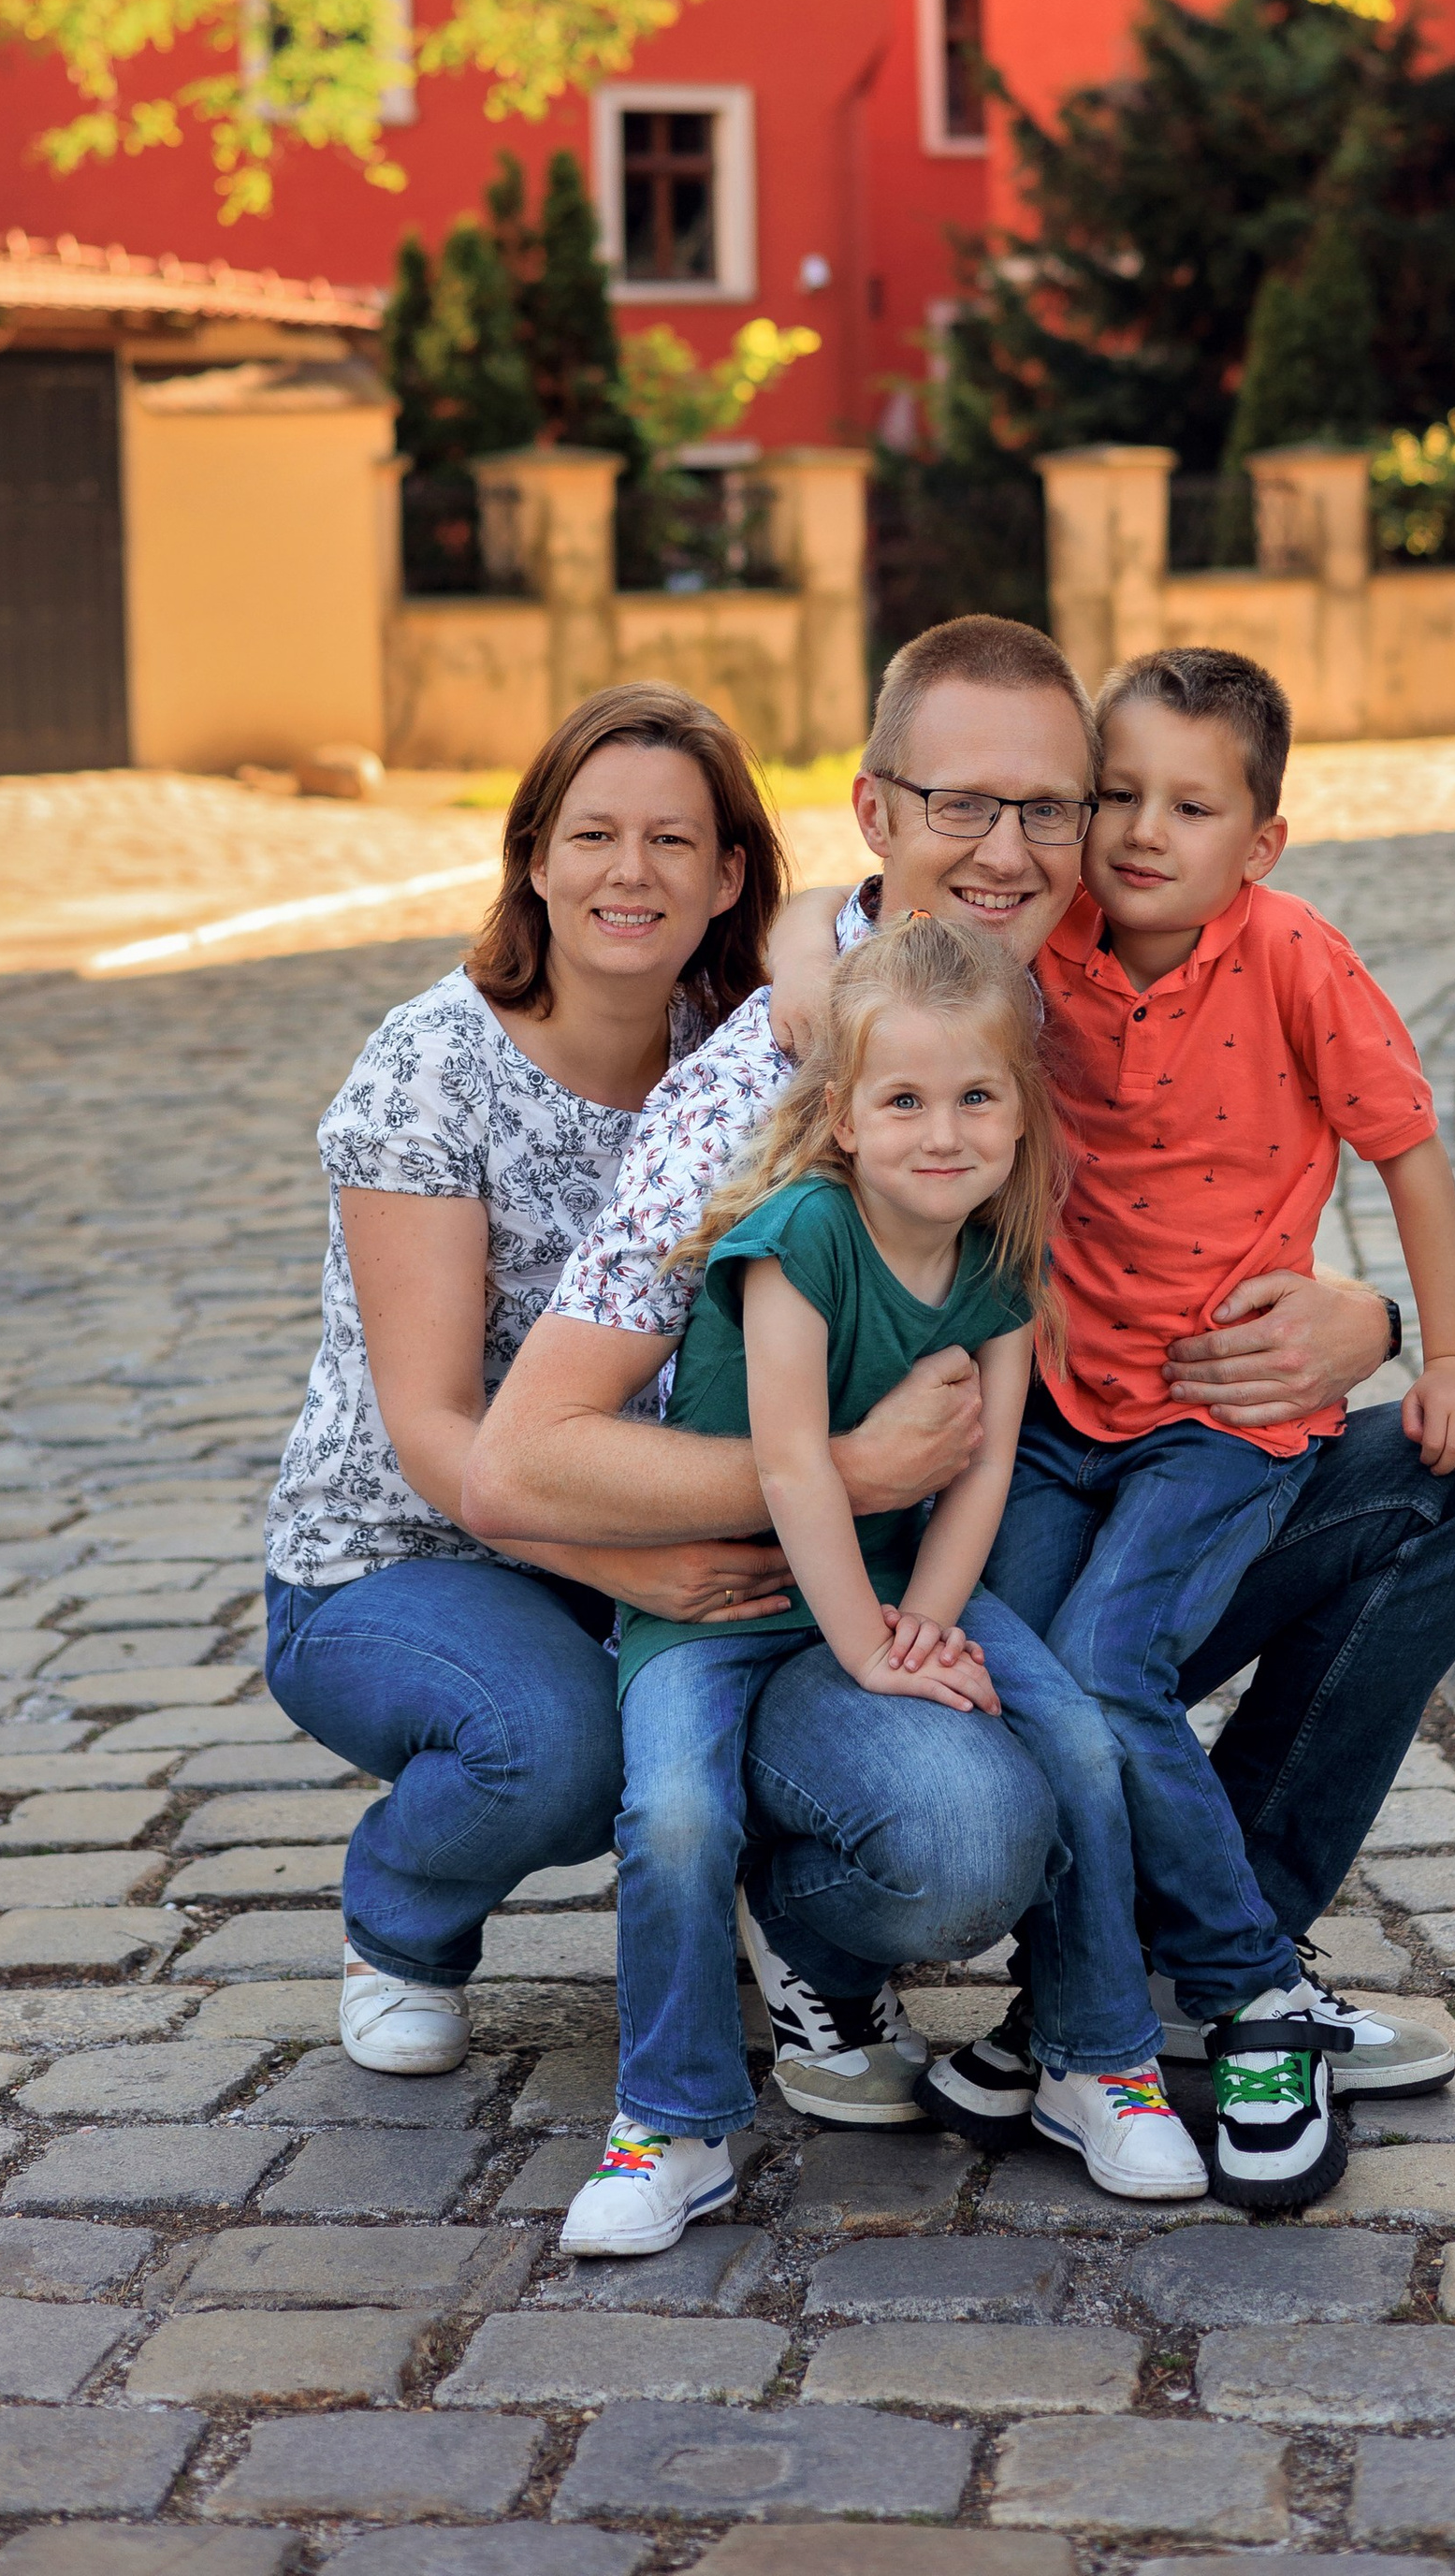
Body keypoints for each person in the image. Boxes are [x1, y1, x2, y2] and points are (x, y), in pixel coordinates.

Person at [465, 614, 1455, 2131]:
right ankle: (816, 1927)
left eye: (1050, 807)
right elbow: (520, 1459)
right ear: (876, 809)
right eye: (963, 804)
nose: (1012, 848)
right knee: (970, 1830)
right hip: (811, 1601)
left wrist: (1366, 1320)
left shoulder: (1064, 969)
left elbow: (1256, 1113)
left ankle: (1205, 1962)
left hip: (1053, 1499)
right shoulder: (765, 1088)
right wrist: (846, 1469)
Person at [770, 643, 1455, 2204]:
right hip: (1047, 1422)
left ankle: (1239, 1989)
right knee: (1040, 1686)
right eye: (1116, 796)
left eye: (1191, 805)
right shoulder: (1050, 943)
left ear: (1264, 840)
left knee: (1114, 1667)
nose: (1140, 832)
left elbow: (1407, 1143)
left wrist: (1438, 1349)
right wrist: (792, 950)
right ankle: (1088, 2005)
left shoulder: (1292, 956)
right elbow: (863, 908)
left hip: (1218, 1420)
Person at [560, 920, 1208, 2257]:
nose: (944, 1132)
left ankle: (1100, 2056)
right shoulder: (801, 1238)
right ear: (844, 1119)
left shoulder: (997, 1251)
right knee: (675, 1814)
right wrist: (871, 1651)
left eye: (976, 1098)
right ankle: (669, 2123)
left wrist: (929, 1618)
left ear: (1021, 1115)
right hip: (721, 1602)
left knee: (1082, 1740)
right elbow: (793, 1465)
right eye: (904, 1100)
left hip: (894, 1581)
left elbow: (983, 1461)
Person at [263, 683, 830, 2078]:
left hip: (652, 1512)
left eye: (671, 841)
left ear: (728, 876)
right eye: (592, 835)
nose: (630, 873)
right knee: (558, 1750)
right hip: (406, 1550)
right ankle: (401, 1918)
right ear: (532, 857)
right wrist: (629, 1572)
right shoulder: (431, 1066)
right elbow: (429, 1429)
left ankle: (786, 1918)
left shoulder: (747, 1053)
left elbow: (886, 929)